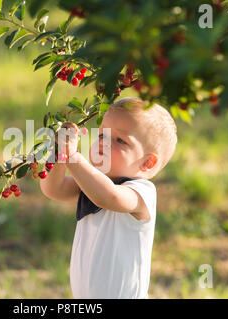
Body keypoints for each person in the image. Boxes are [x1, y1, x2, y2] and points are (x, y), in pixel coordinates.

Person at [40, 97, 178, 298]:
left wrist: (74, 157)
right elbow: (53, 189)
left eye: (120, 140)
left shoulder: (141, 192)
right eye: (103, 135)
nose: (103, 143)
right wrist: (59, 154)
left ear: (148, 162)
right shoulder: (91, 183)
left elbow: (109, 197)